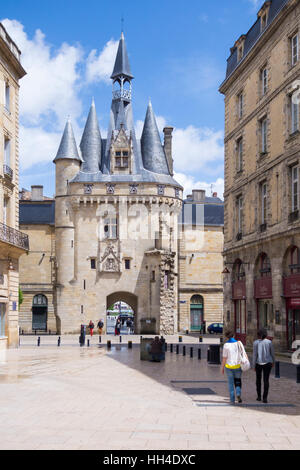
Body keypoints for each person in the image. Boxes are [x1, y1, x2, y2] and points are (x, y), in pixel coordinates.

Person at [221, 329, 247, 404]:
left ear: (226, 337)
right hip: (238, 366)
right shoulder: (239, 343)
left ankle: (232, 399)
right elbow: (244, 354)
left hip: (229, 367)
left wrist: (222, 368)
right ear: (233, 335)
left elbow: (224, 358)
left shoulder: (226, 345)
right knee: (238, 381)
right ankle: (238, 393)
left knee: (230, 383)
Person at [253, 329, 275, 403]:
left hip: (258, 363)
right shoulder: (269, 342)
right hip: (268, 363)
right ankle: (265, 398)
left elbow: (254, 355)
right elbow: (272, 353)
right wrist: (273, 361)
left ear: (258, 335)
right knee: (266, 380)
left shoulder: (255, 343)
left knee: (258, 380)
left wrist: (253, 365)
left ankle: (259, 396)